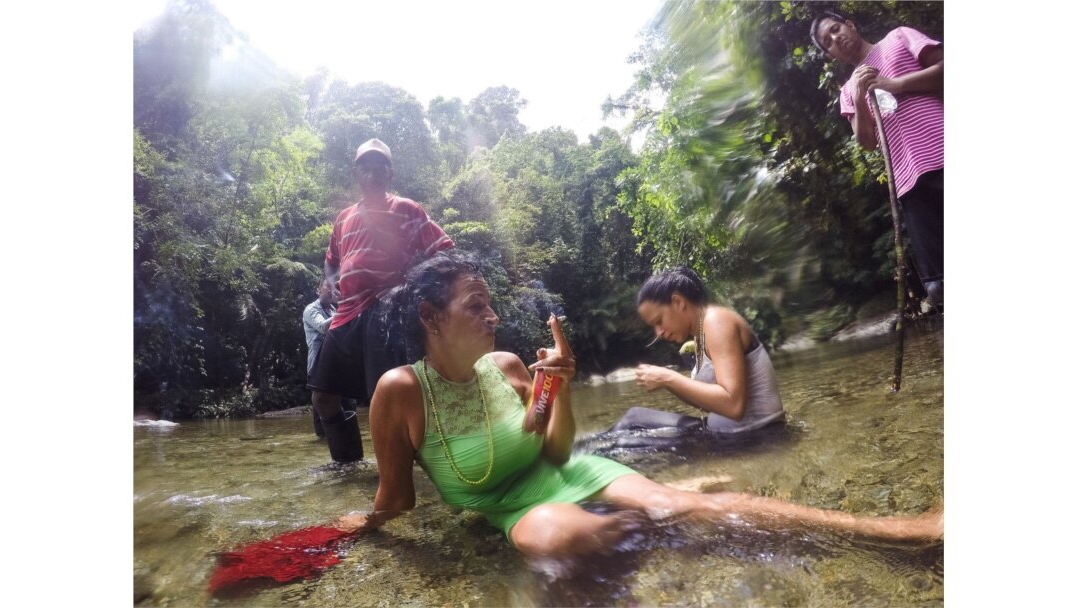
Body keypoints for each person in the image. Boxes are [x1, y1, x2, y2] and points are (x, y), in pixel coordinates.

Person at [331, 252, 941, 558]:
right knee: (554, 539)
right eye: (475, 305)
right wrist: (353, 529)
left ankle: (904, 532)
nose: (492, 316)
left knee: (675, 507)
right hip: (512, 507)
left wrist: (561, 386)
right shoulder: (400, 391)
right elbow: (398, 497)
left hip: (570, 470)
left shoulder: (510, 367)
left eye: (491, 303)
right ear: (431, 318)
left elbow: (557, 448)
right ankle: (678, 506)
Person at [307, 138, 454, 462]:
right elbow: (331, 259)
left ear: (389, 172)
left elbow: (444, 250)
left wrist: (413, 289)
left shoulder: (406, 209)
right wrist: (333, 284)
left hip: (384, 310)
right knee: (323, 397)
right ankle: (348, 468)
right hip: (346, 314)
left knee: (383, 396)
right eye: (365, 166)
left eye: (379, 166)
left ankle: (405, 471)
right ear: (356, 172)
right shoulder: (344, 217)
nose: (372, 172)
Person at [810, 12, 944, 307]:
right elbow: (867, 143)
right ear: (830, 55)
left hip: (944, 153)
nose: (836, 38)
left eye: (836, 29)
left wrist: (895, 85)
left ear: (851, 24)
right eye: (827, 41)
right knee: (940, 285)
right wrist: (858, 96)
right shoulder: (847, 93)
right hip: (909, 184)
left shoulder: (898, 37)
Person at [609, 267, 784, 435]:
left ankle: (585, 453)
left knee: (632, 425)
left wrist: (667, 378)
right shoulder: (701, 334)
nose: (659, 332)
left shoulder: (717, 322)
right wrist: (665, 383)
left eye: (659, 320)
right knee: (635, 420)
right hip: (727, 435)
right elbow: (710, 405)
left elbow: (733, 405)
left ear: (678, 302)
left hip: (755, 438)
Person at [303, 278, 336, 438]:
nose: (331, 290)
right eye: (327, 287)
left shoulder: (334, 310)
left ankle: (338, 443)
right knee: (320, 406)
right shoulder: (311, 309)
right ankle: (321, 443)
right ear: (319, 289)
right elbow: (324, 327)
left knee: (343, 405)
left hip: (335, 365)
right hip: (318, 365)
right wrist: (346, 308)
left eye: (334, 288)